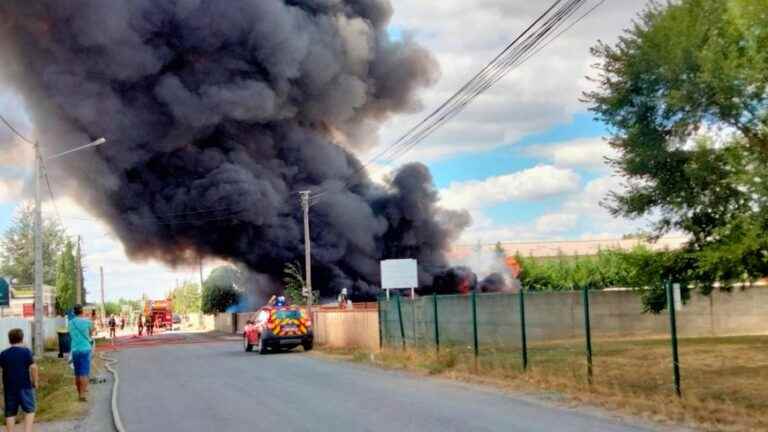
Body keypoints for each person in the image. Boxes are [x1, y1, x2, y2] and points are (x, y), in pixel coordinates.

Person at [0, 328, 38, 432]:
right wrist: (35, 381)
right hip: (24, 386)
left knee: (10, 413)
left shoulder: (3, 354)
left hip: (9, 387)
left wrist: (1, 385)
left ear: (9, 340)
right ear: (22, 338)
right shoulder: (26, 352)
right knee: (30, 410)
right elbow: (34, 367)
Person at [68, 304, 94, 402]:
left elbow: (70, 334)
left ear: (74, 312)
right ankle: (82, 395)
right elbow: (91, 334)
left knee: (77, 373)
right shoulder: (87, 322)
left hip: (75, 350)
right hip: (85, 349)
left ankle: (79, 393)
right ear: (82, 311)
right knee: (84, 373)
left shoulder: (70, 323)